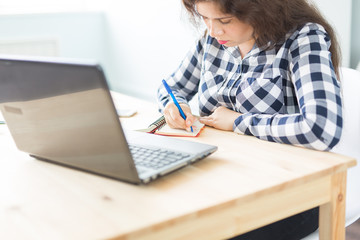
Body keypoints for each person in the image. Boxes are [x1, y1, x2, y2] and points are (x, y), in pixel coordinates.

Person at [157, 0, 342, 239]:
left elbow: (321, 129)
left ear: (261, 10)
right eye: (205, 18)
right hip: (224, 178)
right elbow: (170, 86)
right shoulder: (213, 41)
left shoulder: (302, 38)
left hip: (289, 190)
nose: (213, 31)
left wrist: (239, 122)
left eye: (224, 20)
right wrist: (175, 105)